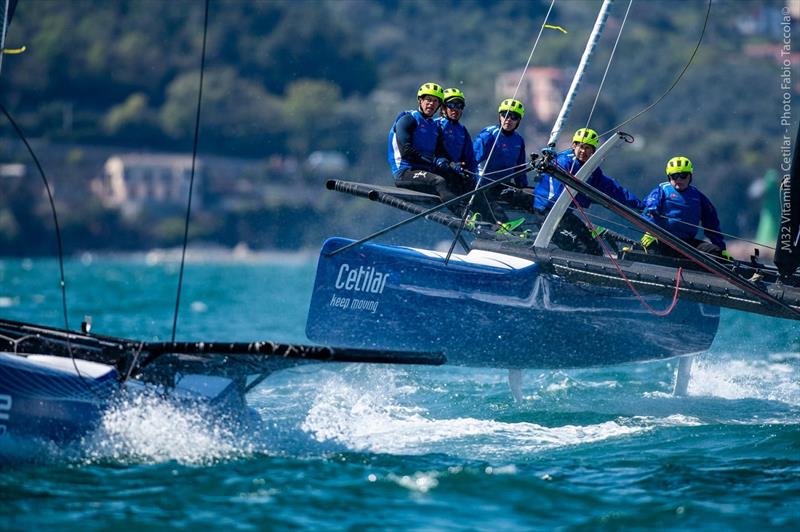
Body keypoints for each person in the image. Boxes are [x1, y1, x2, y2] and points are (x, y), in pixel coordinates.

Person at [533, 127, 643, 254]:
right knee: (581, 248)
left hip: (563, 215)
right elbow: (562, 195)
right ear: (574, 145)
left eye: (588, 148)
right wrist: (590, 199)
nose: (583, 151)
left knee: (594, 249)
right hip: (546, 214)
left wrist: (639, 205)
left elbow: (613, 190)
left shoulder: (591, 169)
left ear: (593, 151)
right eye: (581, 146)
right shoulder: (564, 162)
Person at [388, 82, 464, 208]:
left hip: (425, 171)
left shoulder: (434, 126)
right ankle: (464, 216)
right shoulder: (408, 119)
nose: (431, 104)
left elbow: (441, 153)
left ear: (439, 105)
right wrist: (434, 161)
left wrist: (452, 164)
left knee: (460, 180)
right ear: (420, 101)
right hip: (405, 172)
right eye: (428, 100)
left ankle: (492, 222)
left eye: (435, 101)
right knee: (439, 181)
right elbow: (406, 152)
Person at [641, 156, 732, 259]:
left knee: (715, 252)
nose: (679, 179)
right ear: (669, 177)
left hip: (686, 244)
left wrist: (722, 249)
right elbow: (648, 210)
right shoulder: (661, 191)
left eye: (683, 175)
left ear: (690, 176)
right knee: (652, 247)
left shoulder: (698, 197)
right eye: (674, 176)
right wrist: (650, 232)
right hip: (662, 240)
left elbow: (712, 224)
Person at [472, 98, 529, 222]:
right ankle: (504, 226)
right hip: (483, 185)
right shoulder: (488, 135)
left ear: (519, 121)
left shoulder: (519, 140)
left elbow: (520, 169)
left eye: (513, 117)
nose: (508, 119)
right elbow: (472, 160)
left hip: (502, 185)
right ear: (500, 116)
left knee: (532, 196)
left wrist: (523, 187)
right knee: (495, 207)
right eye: (505, 115)